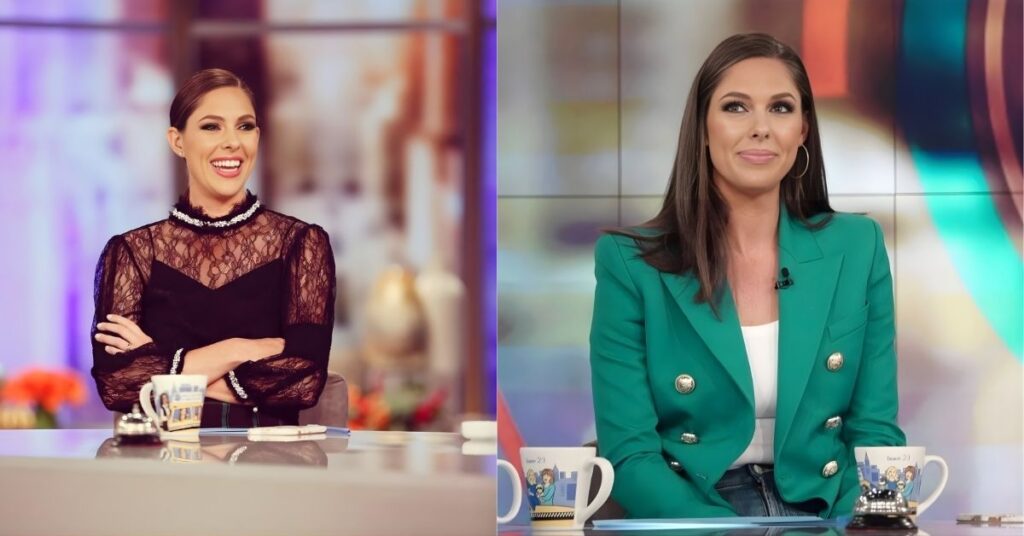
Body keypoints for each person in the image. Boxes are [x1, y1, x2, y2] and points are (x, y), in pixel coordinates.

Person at [589, 33, 905, 519]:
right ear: (703, 127)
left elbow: (875, 432)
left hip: (826, 507)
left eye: (780, 108)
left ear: (803, 131)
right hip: (695, 510)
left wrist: (854, 525)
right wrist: (723, 532)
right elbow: (629, 455)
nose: (760, 128)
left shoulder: (857, 247)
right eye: (736, 107)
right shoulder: (629, 264)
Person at [91, 68, 336, 428]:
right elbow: (117, 384)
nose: (233, 143)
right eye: (211, 126)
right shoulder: (131, 253)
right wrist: (239, 350)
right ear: (177, 141)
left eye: (245, 126)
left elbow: (303, 381)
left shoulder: (302, 245)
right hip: (162, 468)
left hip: (268, 470)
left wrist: (161, 366)